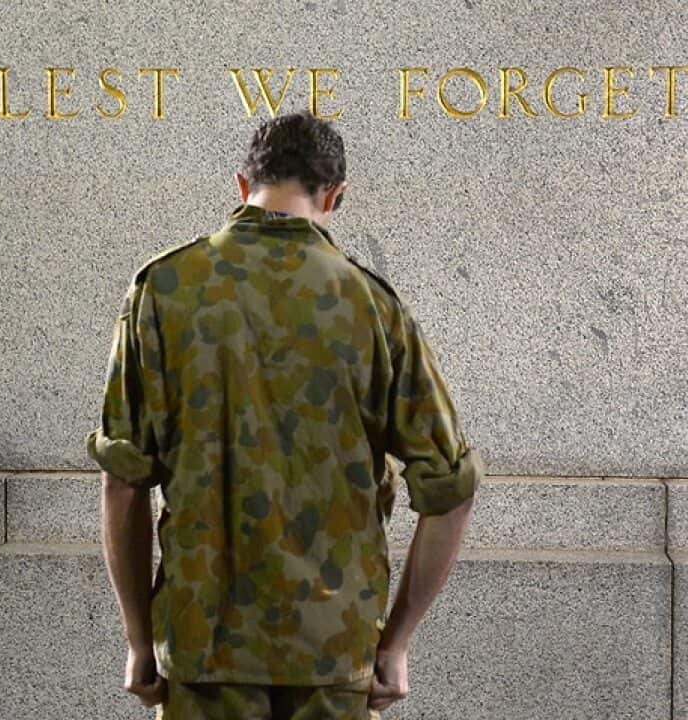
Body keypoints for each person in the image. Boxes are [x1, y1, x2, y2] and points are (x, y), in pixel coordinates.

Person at [85, 111, 484, 720]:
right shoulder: (372, 305)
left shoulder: (162, 290)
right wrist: (396, 643)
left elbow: (123, 483)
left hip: (202, 650)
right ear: (336, 195)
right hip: (333, 652)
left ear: (242, 186)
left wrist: (141, 641)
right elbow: (451, 491)